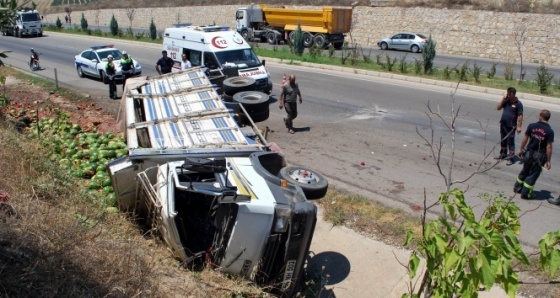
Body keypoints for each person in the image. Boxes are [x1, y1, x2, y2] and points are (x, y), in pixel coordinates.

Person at [513, 109, 554, 200]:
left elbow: (525, 138)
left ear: (541, 116)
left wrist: (521, 150)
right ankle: (526, 194)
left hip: (529, 152)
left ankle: (517, 188)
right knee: (533, 174)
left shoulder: (532, 126)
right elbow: (549, 147)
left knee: (525, 170)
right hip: (540, 155)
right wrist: (548, 160)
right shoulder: (549, 131)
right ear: (548, 118)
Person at [496, 87, 523, 165]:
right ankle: (503, 154)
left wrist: (519, 126)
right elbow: (498, 108)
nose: (507, 95)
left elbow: (520, 115)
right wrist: (503, 100)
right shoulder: (506, 101)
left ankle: (511, 157)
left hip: (511, 126)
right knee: (503, 139)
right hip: (503, 124)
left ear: (513, 94)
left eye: (509, 94)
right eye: (507, 93)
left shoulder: (518, 103)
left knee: (510, 142)